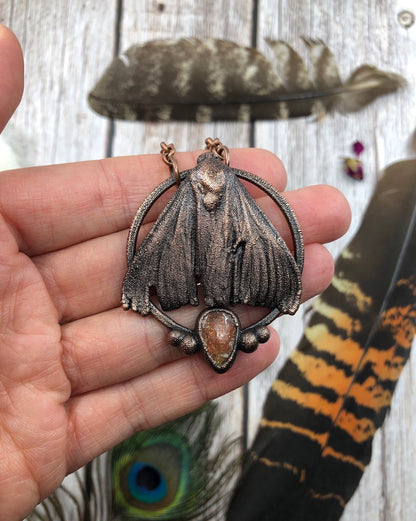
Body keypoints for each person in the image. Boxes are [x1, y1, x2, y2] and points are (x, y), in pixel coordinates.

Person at [0, 24, 351, 521]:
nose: (208, 189)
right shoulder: (216, 198)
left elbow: (251, 249)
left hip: (218, 286)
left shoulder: (212, 198)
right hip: (214, 288)